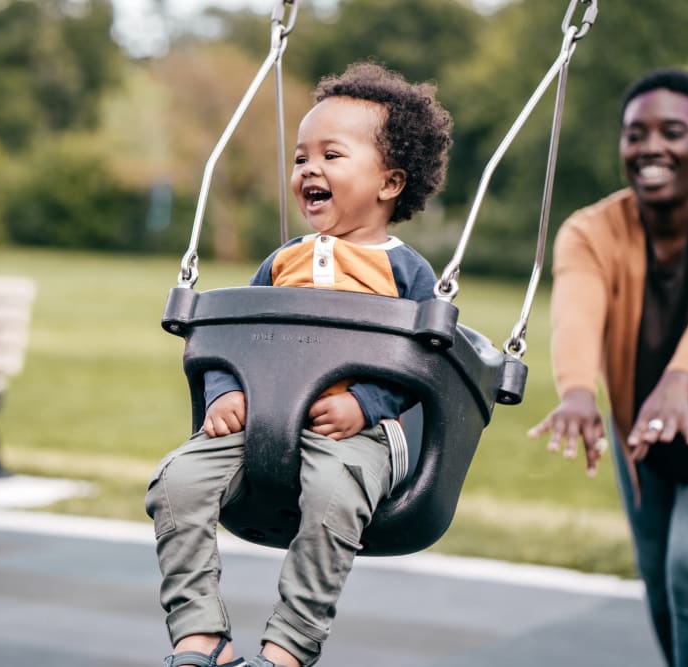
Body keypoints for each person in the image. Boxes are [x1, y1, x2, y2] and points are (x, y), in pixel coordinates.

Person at [146, 61, 453, 667]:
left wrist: (364, 403)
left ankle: (290, 644)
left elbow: (426, 366)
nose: (309, 169)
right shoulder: (282, 261)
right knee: (175, 483)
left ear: (389, 182)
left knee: (334, 498)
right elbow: (232, 337)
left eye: (331, 156)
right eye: (300, 158)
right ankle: (199, 633)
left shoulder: (407, 271)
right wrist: (222, 394)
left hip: (356, 434)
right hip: (260, 416)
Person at [529, 68, 688, 666]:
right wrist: (579, 391)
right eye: (635, 133)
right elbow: (577, 316)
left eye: (672, 131)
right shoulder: (589, 231)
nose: (651, 146)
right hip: (645, 440)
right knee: (661, 586)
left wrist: (679, 381)